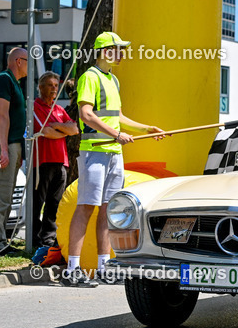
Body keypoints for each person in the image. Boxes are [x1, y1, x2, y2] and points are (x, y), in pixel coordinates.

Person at [66, 32, 165, 287]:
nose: (121, 54)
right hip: (94, 151)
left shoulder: (113, 80)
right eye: (117, 49)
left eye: (122, 49)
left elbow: (118, 116)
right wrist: (116, 135)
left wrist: (145, 128)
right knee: (86, 207)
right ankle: (72, 270)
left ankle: (104, 267)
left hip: (113, 152)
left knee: (108, 209)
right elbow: (86, 114)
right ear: (104, 51)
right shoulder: (90, 77)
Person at [0, 47, 28, 257]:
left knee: (7, 196)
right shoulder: (4, 80)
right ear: (18, 61)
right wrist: (4, 150)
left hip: (12, 145)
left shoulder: (14, 82)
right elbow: (1, 116)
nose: (30, 66)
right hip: (1, 145)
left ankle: (0, 241)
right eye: (28, 61)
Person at [31, 72, 78, 249]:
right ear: (41, 87)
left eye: (56, 86)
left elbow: (74, 129)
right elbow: (45, 132)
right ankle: (34, 238)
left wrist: (57, 126)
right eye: (50, 85)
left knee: (55, 203)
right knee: (38, 202)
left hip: (61, 161)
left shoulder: (59, 109)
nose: (54, 89)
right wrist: (63, 131)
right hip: (43, 161)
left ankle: (48, 238)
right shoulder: (35, 107)